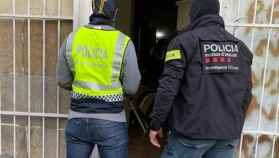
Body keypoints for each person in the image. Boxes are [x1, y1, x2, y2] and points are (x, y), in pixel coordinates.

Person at [149, 0, 253, 158]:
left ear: (194, 14)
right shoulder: (242, 49)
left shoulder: (182, 43)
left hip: (191, 134)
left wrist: (156, 124)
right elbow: (246, 94)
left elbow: (168, 89)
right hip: (226, 136)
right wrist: (233, 125)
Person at [56, 0, 141, 157]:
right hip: (112, 122)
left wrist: (82, 88)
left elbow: (62, 80)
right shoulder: (123, 42)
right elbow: (132, 87)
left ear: (93, 9)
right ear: (114, 14)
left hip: (78, 119)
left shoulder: (72, 38)